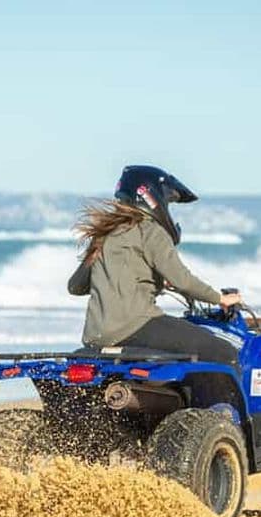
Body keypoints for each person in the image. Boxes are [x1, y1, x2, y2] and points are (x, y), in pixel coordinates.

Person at [68, 164, 242, 409]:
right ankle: (221, 423)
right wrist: (220, 299)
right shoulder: (150, 231)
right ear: (152, 196)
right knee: (223, 353)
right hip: (136, 325)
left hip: (96, 335)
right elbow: (184, 281)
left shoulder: (104, 235)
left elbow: (75, 286)